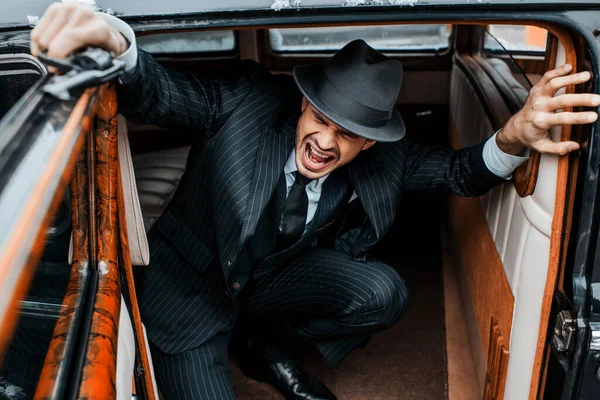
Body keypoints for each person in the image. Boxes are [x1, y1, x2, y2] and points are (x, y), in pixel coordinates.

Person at [31, 3, 600, 400]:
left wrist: (515, 136)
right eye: (321, 119)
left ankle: (266, 349)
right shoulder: (244, 106)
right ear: (302, 104)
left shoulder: (385, 159)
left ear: (371, 141)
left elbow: (461, 171)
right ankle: (238, 343)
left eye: (348, 134)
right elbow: (165, 93)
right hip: (193, 293)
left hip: (273, 285)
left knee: (384, 293)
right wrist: (117, 44)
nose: (326, 142)